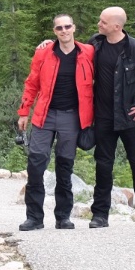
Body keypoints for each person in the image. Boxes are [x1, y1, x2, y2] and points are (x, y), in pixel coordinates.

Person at [87, 7, 135, 228]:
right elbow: (70, 52)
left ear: (117, 26)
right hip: (103, 117)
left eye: (103, 22)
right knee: (103, 165)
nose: (98, 24)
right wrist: (48, 44)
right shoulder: (95, 44)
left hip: (131, 118)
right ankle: (100, 215)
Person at [16, 14, 95, 231]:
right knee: (35, 164)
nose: (64, 30)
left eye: (67, 26)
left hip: (72, 116)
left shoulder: (87, 52)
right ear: (54, 31)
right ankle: (34, 218)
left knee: (64, 166)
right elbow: (31, 83)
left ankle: (63, 217)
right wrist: (24, 112)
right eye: (59, 28)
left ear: (74, 28)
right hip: (45, 114)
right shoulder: (44, 53)